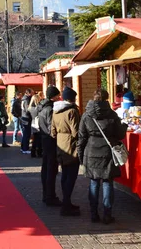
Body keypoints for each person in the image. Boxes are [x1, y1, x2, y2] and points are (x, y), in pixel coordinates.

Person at [78, 89, 128, 224]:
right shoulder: (111, 114)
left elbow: (81, 137)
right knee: (107, 183)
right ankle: (107, 214)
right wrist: (124, 126)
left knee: (94, 183)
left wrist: (80, 155)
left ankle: (94, 214)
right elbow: (119, 135)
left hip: (91, 151)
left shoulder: (86, 115)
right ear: (106, 99)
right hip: (107, 151)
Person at [51, 87, 82, 216]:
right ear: (73, 98)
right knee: (71, 176)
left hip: (60, 144)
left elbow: (52, 131)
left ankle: (66, 202)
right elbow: (76, 132)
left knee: (64, 175)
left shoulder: (56, 111)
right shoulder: (72, 111)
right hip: (71, 145)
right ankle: (66, 204)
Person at [38, 86, 61, 206]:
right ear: (54, 96)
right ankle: (50, 196)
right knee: (51, 169)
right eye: (58, 95)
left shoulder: (42, 107)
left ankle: (46, 194)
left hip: (44, 140)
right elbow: (52, 127)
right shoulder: (50, 109)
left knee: (46, 168)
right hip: (51, 141)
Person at [29, 92, 44, 157]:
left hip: (33, 123)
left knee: (35, 139)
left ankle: (33, 152)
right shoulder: (38, 108)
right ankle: (39, 152)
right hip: (38, 123)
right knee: (39, 139)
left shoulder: (30, 108)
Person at [20, 89, 34, 154]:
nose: (32, 94)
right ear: (28, 93)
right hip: (26, 118)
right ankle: (25, 148)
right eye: (32, 93)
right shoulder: (26, 100)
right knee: (26, 134)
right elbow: (27, 109)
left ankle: (23, 147)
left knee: (25, 133)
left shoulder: (24, 99)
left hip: (24, 117)